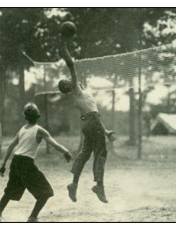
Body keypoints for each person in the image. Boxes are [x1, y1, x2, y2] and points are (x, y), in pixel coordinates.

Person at [0, 103, 72, 222]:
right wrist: (66, 152)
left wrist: (3, 164)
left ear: (25, 117)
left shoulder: (23, 129)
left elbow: (11, 147)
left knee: (9, 191)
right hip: (26, 163)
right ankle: (32, 217)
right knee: (46, 192)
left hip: (15, 161)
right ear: (37, 116)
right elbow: (54, 144)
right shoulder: (40, 130)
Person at [58, 39, 111, 203]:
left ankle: (73, 184)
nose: (71, 80)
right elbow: (72, 67)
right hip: (93, 121)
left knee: (85, 153)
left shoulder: (79, 95)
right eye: (69, 81)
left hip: (89, 123)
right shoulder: (77, 91)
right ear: (69, 86)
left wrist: (106, 130)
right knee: (101, 153)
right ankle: (99, 186)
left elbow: (92, 113)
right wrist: (64, 47)